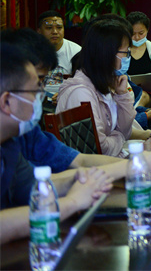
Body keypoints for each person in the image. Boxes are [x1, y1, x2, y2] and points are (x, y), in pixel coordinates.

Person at [2, 28, 151, 177]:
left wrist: (134, 165)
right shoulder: (80, 92)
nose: (41, 93)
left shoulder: (27, 134)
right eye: (37, 84)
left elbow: (78, 161)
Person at [0, 43, 112, 244]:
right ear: (7, 101)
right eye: (35, 91)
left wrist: (76, 179)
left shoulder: (9, 145)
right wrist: (72, 202)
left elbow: (34, 189)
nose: (41, 98)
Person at [56, 20, 151, 157]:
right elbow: (100, 148)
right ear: (107, 54)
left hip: (113, 160)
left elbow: (125, 131)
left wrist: (122, 94)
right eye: (125, 52)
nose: (128, 58)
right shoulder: (81, 93)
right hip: (97, 167)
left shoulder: (104, 85)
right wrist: (119, 136)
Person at [36, 10, 81, 77]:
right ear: (39, 31)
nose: (55, 32)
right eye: (49, 28)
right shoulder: (31, 52)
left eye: (59, 27)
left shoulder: (76, 52)